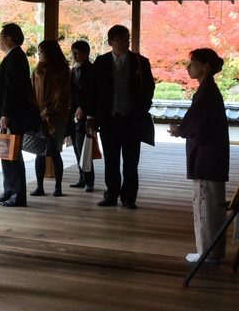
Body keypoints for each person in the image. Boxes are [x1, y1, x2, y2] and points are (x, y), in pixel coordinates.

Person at [168, 48, 230, 263]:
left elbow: (196, 123)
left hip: (206, 156)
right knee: (213, 203)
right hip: (213, 154)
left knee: (205, 202)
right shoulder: (208, 90)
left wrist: (180, 130)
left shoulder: (207, 92)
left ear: (206, 67)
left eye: (193, 62)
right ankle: (214, 250)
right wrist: (183, 129)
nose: (188, 67)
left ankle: (206, 251)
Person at [87, 25, 155, 209]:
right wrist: (91, 116)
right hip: (108, 118)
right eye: (121, 39)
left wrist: (142, 110)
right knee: (111, 160)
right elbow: (93, 90)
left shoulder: (140, 61)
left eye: (127, 38)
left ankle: (129, 197)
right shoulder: (101, 62)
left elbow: (149, 88)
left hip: (132, 118)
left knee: (131, 161)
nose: (126, 42)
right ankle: (111, 194)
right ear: (111, 42)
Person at [0, 23, 37, 208]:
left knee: (11, 155)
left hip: (11, 115)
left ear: (9, 39)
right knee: (6, 153)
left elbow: (11, 89)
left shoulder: (15, 57)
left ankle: (17, 194)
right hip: (10, 114)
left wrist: (5, 114)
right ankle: (9, 190)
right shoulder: (15, 56)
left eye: (1, 37)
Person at [30, 40, 70, 197]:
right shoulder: (37, 71)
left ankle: (58, 187)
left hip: (56, 117)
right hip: (38, 116)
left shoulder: (63, 72)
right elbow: (31, 92)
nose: (39, 54)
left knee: (54, 151)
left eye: (42, 51)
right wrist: (36, 111)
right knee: (39, 151)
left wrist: (48, 111)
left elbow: (62, 95)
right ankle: (39, 186)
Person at [68, 40, 95, 191]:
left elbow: (91, 93)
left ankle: (88, 180)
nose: (74, 56)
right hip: (74, 112)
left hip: (85, 113)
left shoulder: (90, 70)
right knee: (77, 147)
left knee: (83, 147)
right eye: (73, 53)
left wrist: (82, 106)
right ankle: (82, 178)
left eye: (77, 53)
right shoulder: (75, 70)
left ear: (86, 53)